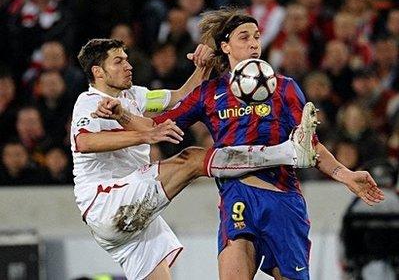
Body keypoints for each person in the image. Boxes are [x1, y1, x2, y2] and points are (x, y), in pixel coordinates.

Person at [144, 8, 384, 280]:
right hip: (237, 196)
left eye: (257, 37)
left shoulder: (284, 87)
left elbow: (309, 145)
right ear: (225, 46)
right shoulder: (209, 93)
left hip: (281, 198)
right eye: (244, 37)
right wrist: (120, 114)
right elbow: (158, 126)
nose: (254, 43)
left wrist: (345, 174)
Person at [73, 38, 319, 280]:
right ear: (98, 71)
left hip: (132, 217)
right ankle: (288, 152)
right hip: (106, 200)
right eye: (118, 62)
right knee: (192, 159)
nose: (128, 66)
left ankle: (290, 151)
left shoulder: (136, 96)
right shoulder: (89, 101)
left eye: (127, 60)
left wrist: (204, 67)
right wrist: (145, 134)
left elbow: (182, 96)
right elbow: (84, 142)